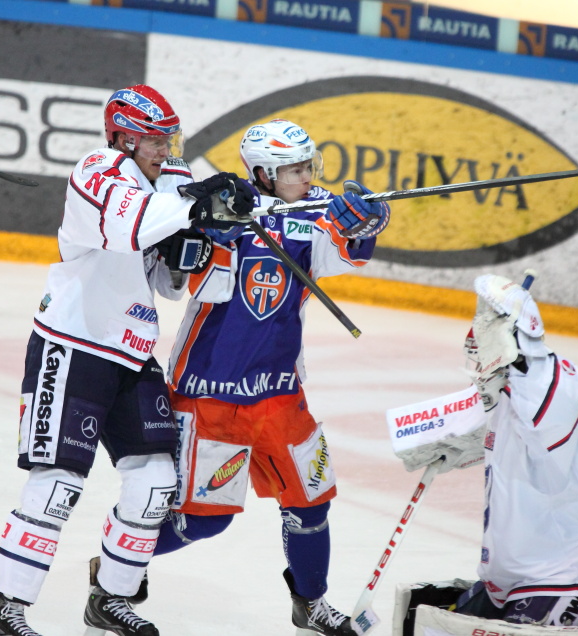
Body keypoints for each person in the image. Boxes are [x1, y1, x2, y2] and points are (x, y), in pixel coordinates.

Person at [0, 84, 255, 636]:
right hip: (72, 345)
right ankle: (5, 610)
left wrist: (200, 240)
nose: (163, 147)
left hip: (131, 351)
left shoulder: (171, 181)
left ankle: (111, 599)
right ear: (122, 137)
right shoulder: (97, 170)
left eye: (167, 137)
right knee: (57, 485)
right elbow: (130, 230)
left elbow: (166, 281)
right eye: (152, 138)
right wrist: (197, 204)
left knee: (154, 483)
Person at [115, 118, 391, 635]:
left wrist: (364, 223)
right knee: (204, 520)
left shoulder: (315, 209)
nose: (308, 177)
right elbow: (189, 279)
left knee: (311, 503)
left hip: (280, 394)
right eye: (295, 170)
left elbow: (347, 252)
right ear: (263, 174)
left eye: (311, 166)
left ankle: (310, 603)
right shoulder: (221, 205)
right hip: (207, 394)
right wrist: (218, 224)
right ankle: (118, 562)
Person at [399, 274, 578, 634]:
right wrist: (431, 437)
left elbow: (543, 391)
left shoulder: (554, 376)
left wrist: (520, 345)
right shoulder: (500, 397)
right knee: (426, 622)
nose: (478, 342)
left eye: (488, 331)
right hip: (526, 573)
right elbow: (437, 428)